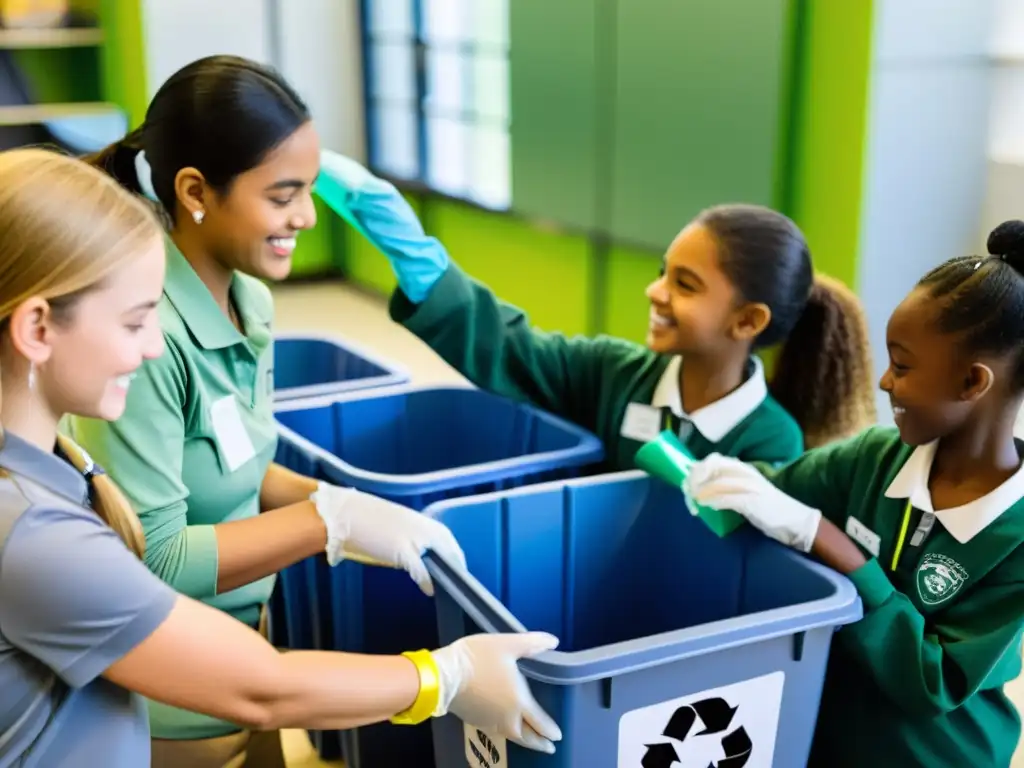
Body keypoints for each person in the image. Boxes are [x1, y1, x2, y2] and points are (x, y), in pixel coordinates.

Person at [0, 148, 561, 768]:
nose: (155, 344)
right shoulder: (31, 532)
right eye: (135, 323)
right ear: (37, 329)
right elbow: (260, 687)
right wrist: (444, 678)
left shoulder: (47, 458)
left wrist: (333, 508)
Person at [684, 220, 1024, 767]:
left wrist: (833, 545)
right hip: (827, 744)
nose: (885, 382)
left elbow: (933, 681)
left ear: (971, 384)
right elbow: (770, 491)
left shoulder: (1015, 536)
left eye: (904, 365)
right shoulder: (870, 458)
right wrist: (715, 477)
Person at [315, 153, 877, 470]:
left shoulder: (772, 441)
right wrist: (422, 264)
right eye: (663, 273)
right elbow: (511, 349)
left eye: (684, 284)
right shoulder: (613, 372)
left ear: (747, 321)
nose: (655, 293)